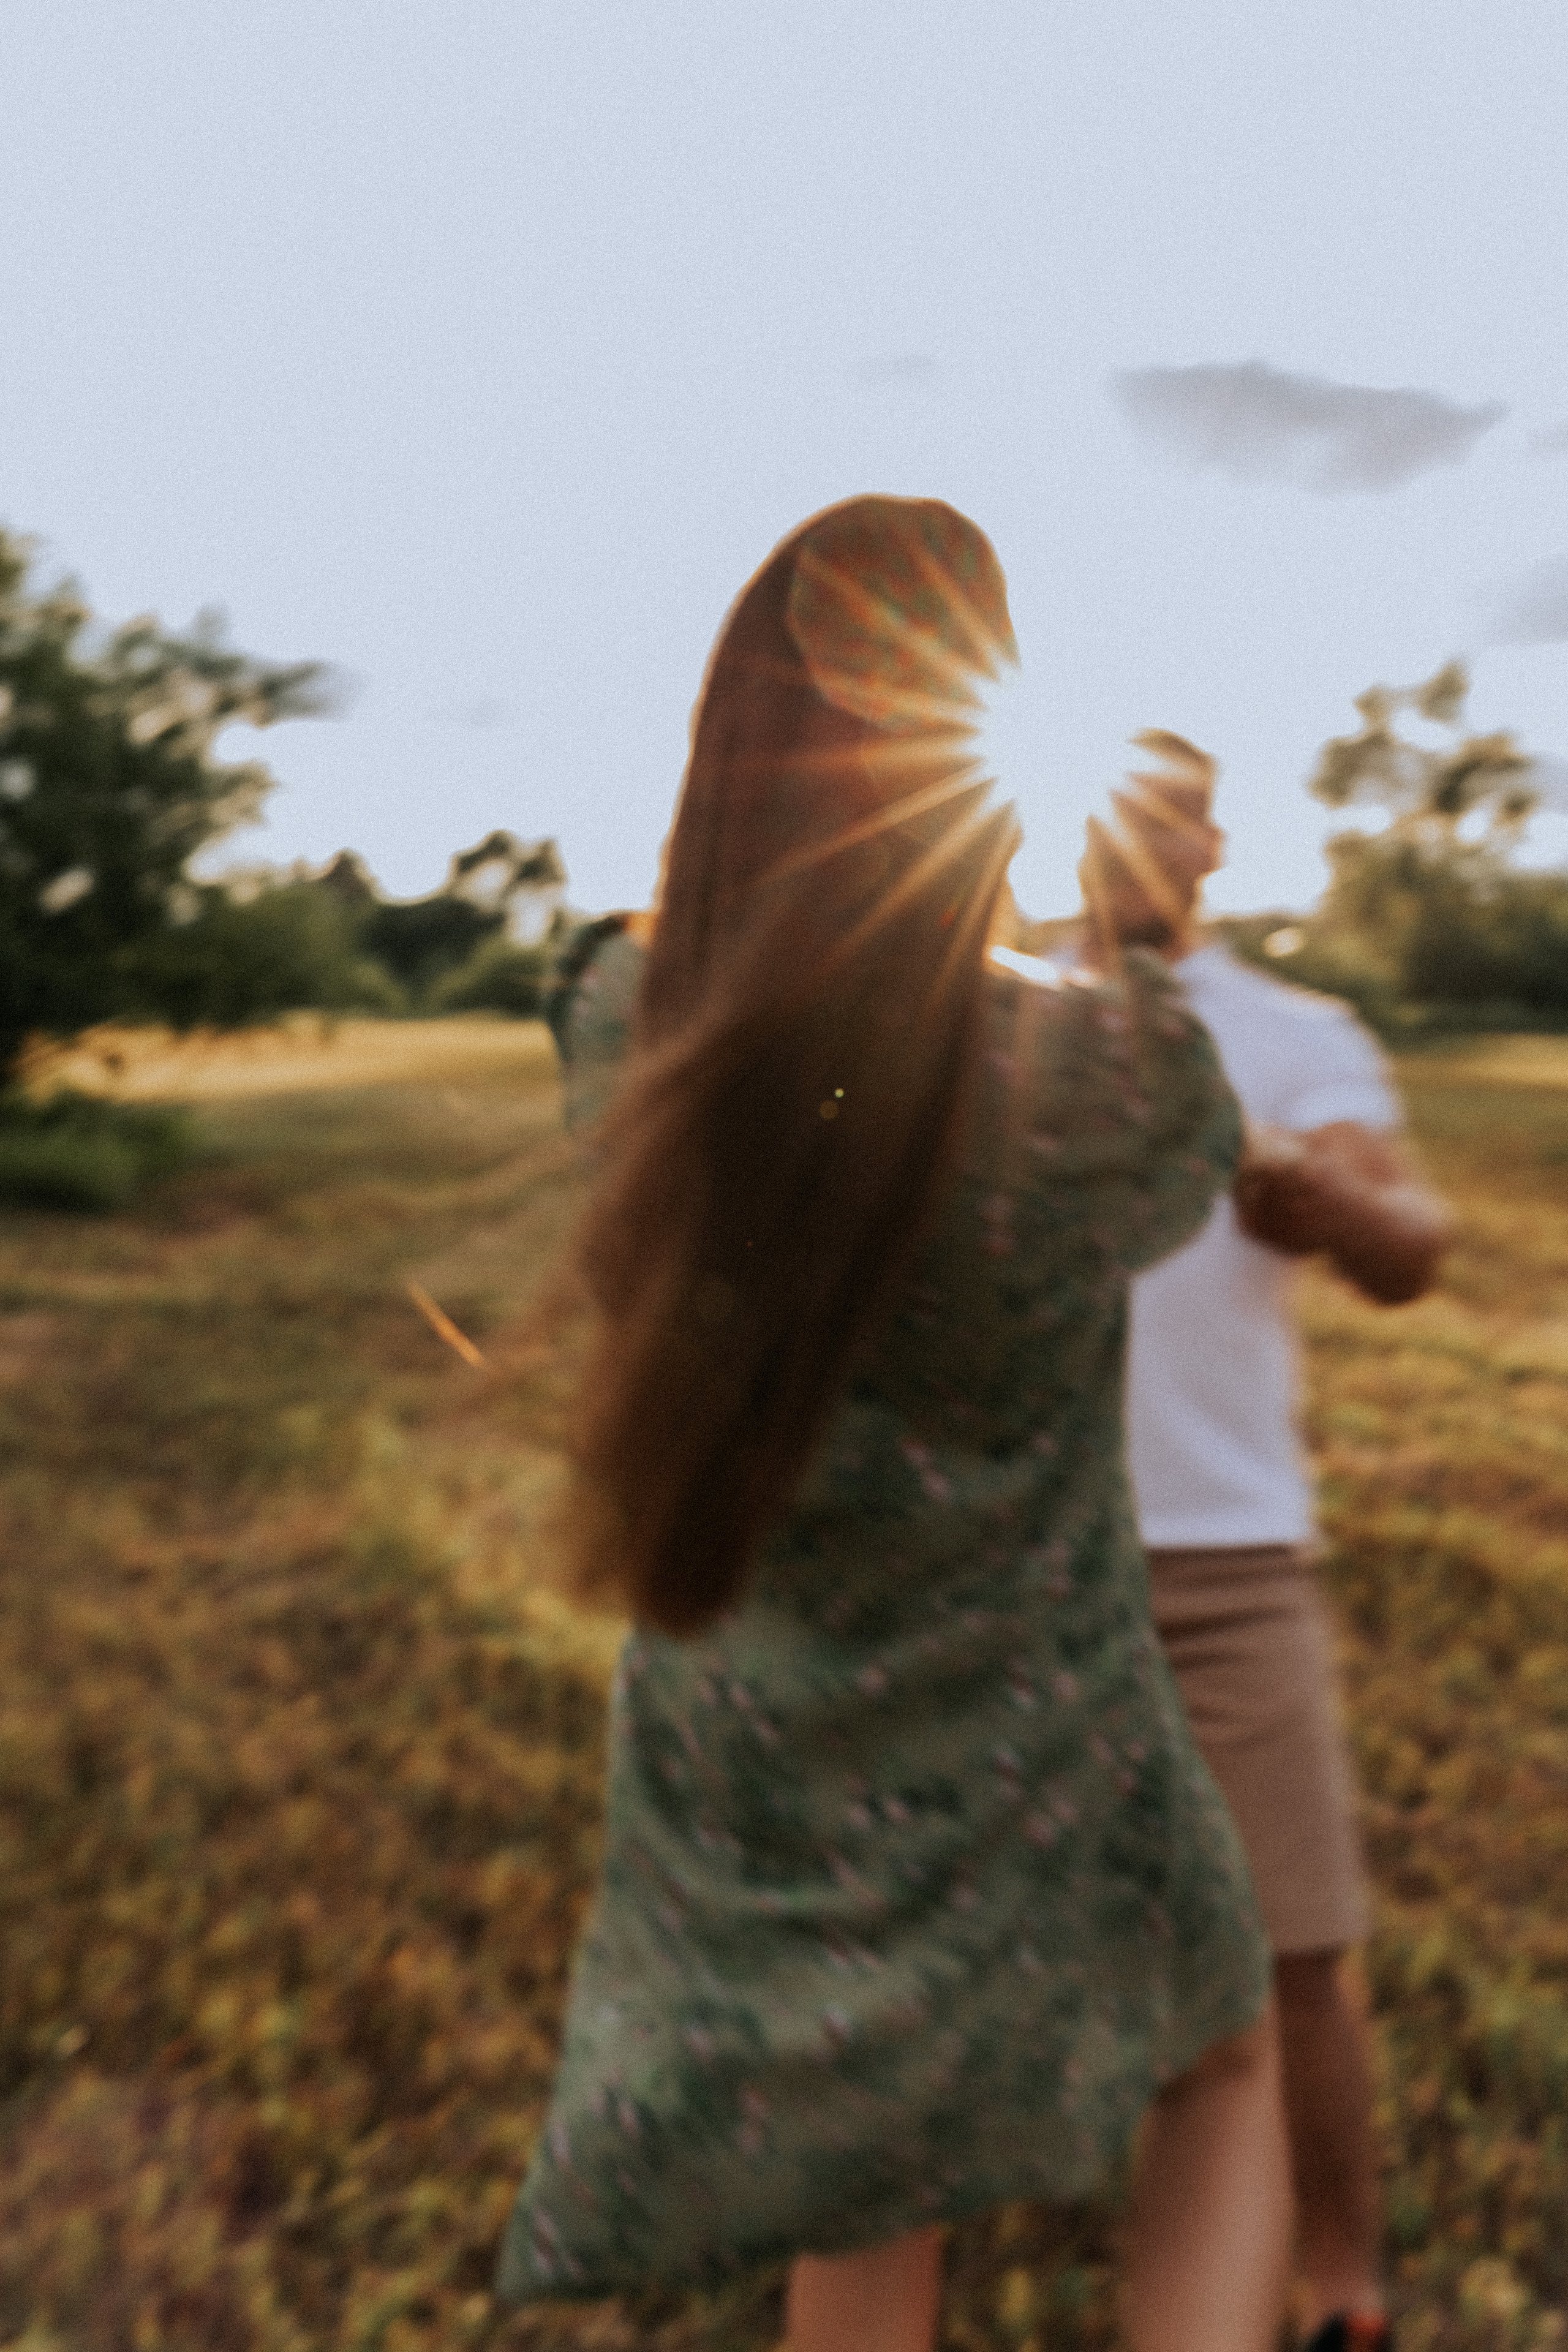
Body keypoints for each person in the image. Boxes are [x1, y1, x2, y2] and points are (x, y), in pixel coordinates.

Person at [496, 497, 1291, 2351]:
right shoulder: (1113, 1068)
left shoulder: (621, 1013)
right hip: (1036, 1709)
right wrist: (1139, 938)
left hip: (749, 1721)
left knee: (873, 2179)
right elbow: (1181, 1170)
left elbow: (764, 1052)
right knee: (1225, 2047)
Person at [1081, 740, 1450, 2352]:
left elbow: (1409, 1241)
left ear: (1214, 843)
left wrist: (1315, 1194)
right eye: (1111, 808)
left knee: (1296, 1948)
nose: (1139, 843)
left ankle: (1343, 2292)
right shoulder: (988, 1018)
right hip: (1004, 1566)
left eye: (1169, 814)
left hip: (1226, 1566)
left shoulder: (1295, 1040)